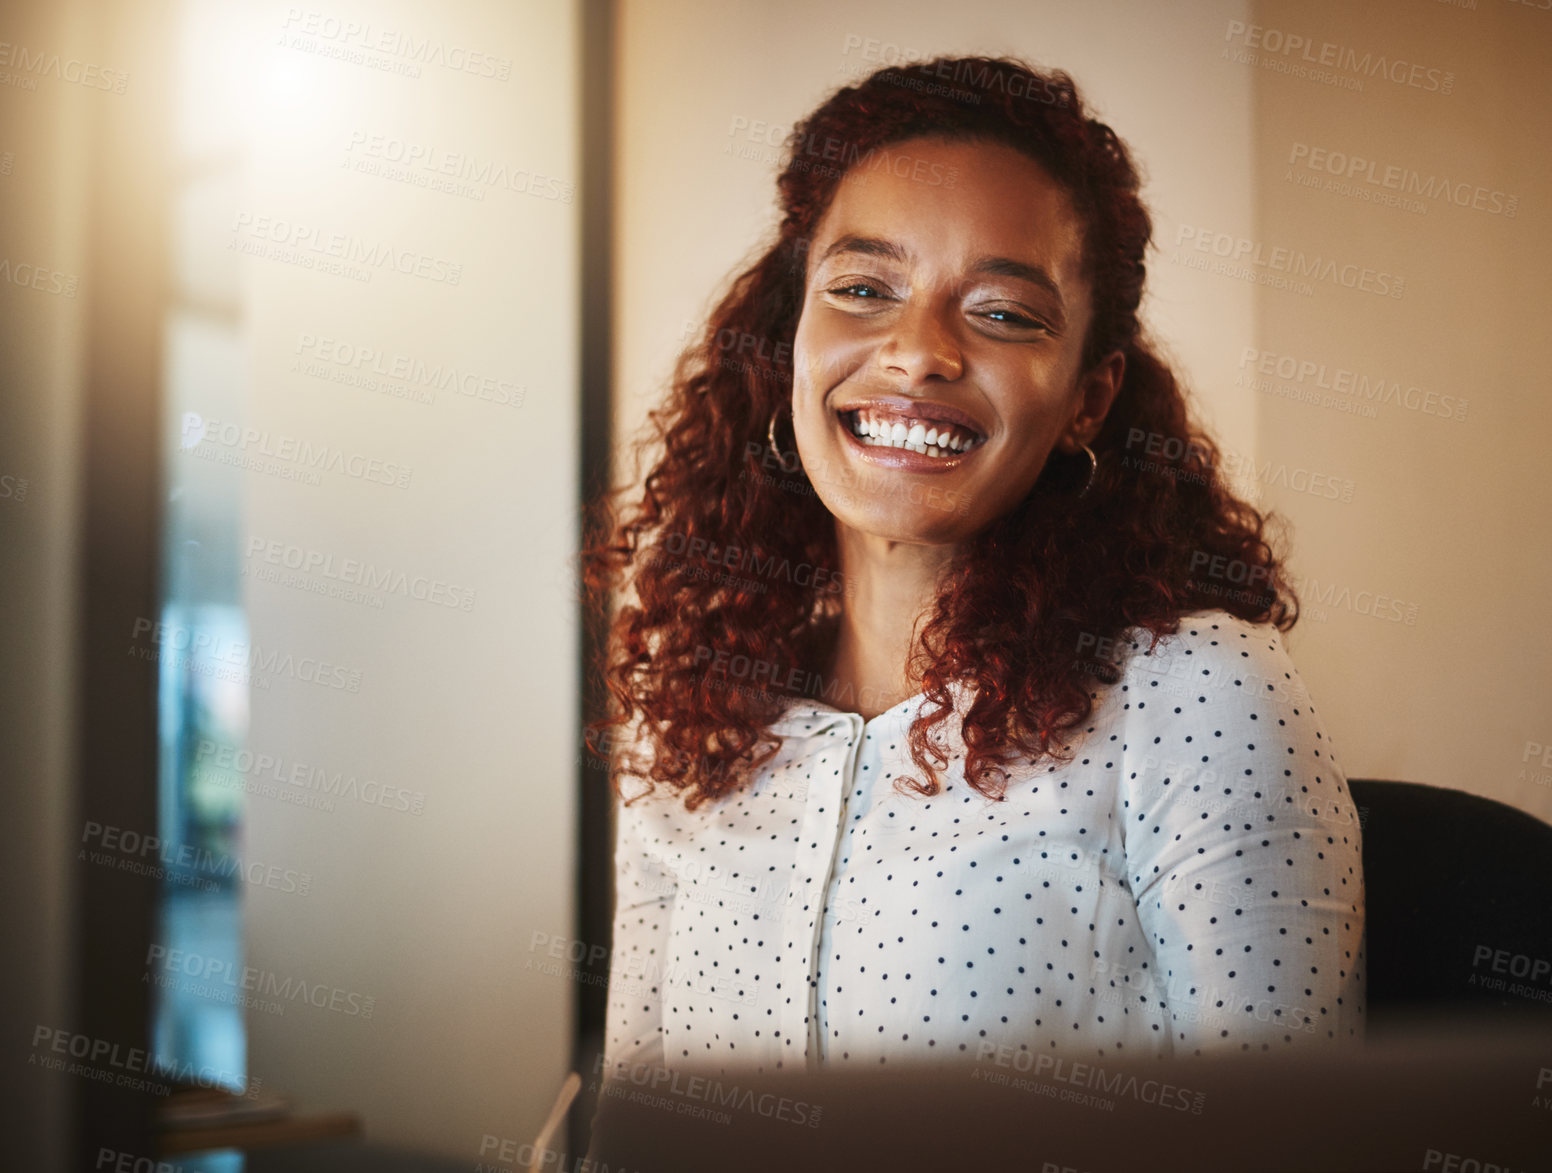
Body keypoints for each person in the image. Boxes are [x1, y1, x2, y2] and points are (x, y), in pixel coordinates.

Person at [580, 54, 1365, 1086]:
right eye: (862, 289)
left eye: (1001, 312)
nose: (917, 353)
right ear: (789, 344)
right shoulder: (701, 717)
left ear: (1089, 395)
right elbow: (639, 1123)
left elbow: (1289, 1143)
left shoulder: (1200, 691)